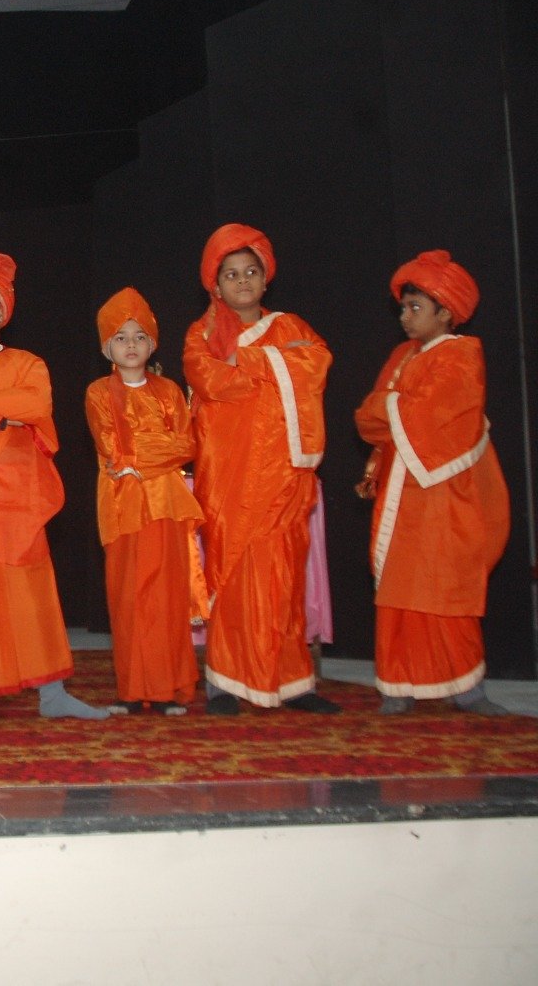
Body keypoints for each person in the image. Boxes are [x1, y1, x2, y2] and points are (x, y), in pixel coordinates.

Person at [0, 252, 106, 722]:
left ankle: (52, 693)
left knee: (30, 592)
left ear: (1, 311)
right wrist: (2, 417)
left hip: (20, 493)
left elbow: (37, 404)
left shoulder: (29, 363)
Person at [182, 223, 341, 715]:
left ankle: (293, 682)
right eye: (231, 274)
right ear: (215, 284)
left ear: (266, 277)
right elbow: (211, 380)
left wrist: (247, 360)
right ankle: (225, 683)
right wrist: (272, 362)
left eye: (251, 272)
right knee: (233, 575)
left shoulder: (292, 327)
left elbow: (317, 363)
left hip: (283, 476)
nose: (243, 281)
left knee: (285, 576)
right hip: (231, 476)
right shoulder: (202, 334)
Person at [355, 251, 511, 716]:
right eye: (403, 308)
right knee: (398, 586)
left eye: (415, 307)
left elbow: (433, 416)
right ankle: (398, 684)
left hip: (443, 492)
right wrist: (394, 406)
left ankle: (467, 688)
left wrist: (393, 405)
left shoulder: (463, 355)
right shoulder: (401, 357)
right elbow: (367, 418)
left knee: (444, 585)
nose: (405, 317)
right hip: (400, 491)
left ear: (445, 312)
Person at [83, 288, 202, 716]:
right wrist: (145, 453)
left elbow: (186, 445)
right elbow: (112, 447)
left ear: (152, 344)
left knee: (167, 597)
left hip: (166, 506)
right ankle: (132, 690)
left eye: (138, 336)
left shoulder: (169, 391)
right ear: (106, 348)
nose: (130, 345)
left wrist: (136, 458)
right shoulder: (99, 392)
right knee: (128, 597)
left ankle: (169, 689)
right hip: (123, 507)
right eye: (120, 337)